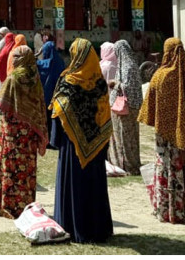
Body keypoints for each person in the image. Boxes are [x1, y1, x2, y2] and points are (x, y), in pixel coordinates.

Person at [49, 38, 114, 243]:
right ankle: (97, 229)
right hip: (95, 147)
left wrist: (56, 139)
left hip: (71, 147)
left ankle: (71, 225)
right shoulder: (99, 83)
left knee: (74, 186)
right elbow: (104, 114)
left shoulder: (67, 80)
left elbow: (58, 110)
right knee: (93, 187)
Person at [138, 36, 185, 224]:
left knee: (167, 170)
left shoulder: (160, 76)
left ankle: (167, 210)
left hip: (165, 141)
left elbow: (148, 108)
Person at [0, 44, 46, 219]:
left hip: (13, 133)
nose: (12, 60)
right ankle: (25, 204)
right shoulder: (35, 78)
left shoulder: (14, 79)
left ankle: (9, 206)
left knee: (11, 167)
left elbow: (2, 104)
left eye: (15, 57)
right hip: (29, 134)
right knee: (27, 169)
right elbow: (39, 105)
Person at [109, 36, 144, 174]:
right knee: (131, 137)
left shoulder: (128, 67)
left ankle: (128, 165)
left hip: (126, 109)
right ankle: (130, 162)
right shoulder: (130, 64)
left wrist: (114, 84)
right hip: (132, 107)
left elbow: (127, 87)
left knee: (126, 137)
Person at [36, 38, 66, 148]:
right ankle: (54, 141)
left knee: (45, 120)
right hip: (57, 97)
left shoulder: (41, 64)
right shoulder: (61, 62)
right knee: (55, 120)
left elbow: (31, 62)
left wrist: (37, 53)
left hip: (45, 97)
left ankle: (45, 140)